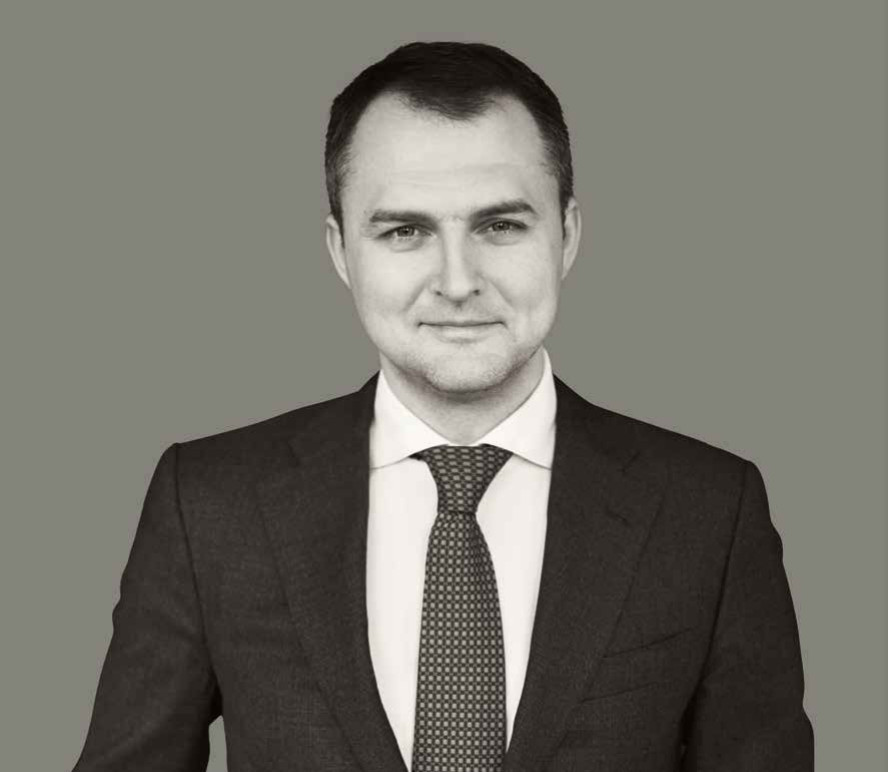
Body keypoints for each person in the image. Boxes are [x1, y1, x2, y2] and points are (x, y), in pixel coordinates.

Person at [71, 41, 814, 772]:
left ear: (567, 235)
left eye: (501, 226)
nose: (458, 282)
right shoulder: (210, 503)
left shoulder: (708, 511)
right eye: (405, 231)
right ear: (341, 251)